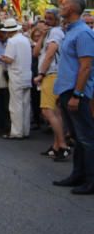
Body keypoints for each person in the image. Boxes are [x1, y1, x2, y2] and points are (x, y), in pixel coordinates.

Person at [51, 0, 94, 194]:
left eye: (65, 4)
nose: (62, 6)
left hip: (78, 93)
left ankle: (91, 181)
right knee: (77, 137)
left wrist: (77, 94)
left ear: (74, 9)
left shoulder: (84, 34)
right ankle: (78, 175)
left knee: (86, 137)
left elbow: (86, 67)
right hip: (67, 90)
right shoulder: (71, 31)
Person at [34, 8, 69, 161]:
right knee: (55, 112)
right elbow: (36, 53)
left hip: (51, 74)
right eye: (45, 18)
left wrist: (41, 73)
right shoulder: (49, 33)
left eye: (50, 18)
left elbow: (50, 53)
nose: (47, 21)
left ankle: (63, 146)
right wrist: (42, 35)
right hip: (52, 74)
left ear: (57, 19)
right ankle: (56, 146)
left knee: (47, 111)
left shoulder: (55, 32)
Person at [0, 18, 33, 140]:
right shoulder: (25, 39)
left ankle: (17, 132)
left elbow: (9, 59)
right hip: (26, 74)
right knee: (25, 104)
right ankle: (25, 130)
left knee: (15, 105)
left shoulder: (12, 41)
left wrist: (2, 58)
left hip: (16, 74)